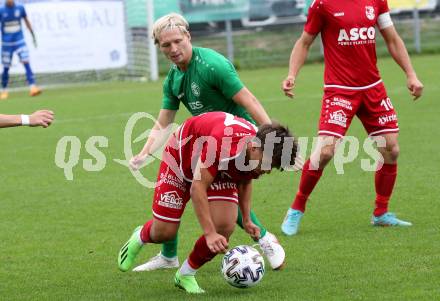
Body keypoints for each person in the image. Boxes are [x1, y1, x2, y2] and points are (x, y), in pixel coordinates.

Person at [129, 13, 286, 271]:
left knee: (223, 202)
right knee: (192, 190)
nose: (173, 49)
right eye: (166, 45)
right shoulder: (173, 78)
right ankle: (169, 257)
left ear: (188, 36)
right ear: (158, 47)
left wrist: (271, 141)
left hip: (240, 144)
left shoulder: (213, 65)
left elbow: (249, 101)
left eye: (178, 41)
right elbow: (164, 121)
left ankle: (265, 238)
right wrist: (145, 152)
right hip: (209, 143)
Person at [280, 0, 424, 235]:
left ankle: (381, 213)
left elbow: (392, 39)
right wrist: (292, 74)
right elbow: (304, 42)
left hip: (372, 88)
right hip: (339, 90)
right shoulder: (322, 4)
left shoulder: (376, 1)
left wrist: (411, 74)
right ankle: (296, 208)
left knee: (391, 148)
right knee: (325, 151)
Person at [118, 112, 298, 293]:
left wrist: (246, 219)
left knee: (225, 226)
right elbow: (197, 188)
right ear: (254, 148)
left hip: (216, 168)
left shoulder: (254, 150)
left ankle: (185, 274)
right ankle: (140, 235)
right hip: (181, 160)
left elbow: (245, 180)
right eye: (269, 164)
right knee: (165, 232)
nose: (268, 171)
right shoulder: (224, 145)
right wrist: (209, 233)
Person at [0, 0, 41, 100]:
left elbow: (26, 21)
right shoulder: (1, 10)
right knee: (6, 67)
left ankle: (33, 87)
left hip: (19, 41)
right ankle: (4, 90)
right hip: (6, 43)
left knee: (26, 61)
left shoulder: (20, 8)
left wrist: (33, 35)